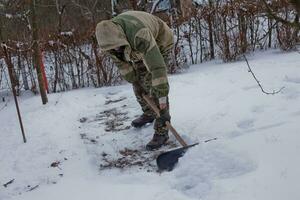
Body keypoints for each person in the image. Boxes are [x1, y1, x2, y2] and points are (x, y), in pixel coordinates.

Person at [95, 10, 174, 150]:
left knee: (155, 86)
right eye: (112, 48)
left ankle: (162, 131)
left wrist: (161, 95)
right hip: (134, 49)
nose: (116, 49)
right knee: (138, 84)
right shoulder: (108, 40)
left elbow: (157, 68)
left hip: (159, 43)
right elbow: (121, 63)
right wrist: (133, 79)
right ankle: (149, 113)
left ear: (120, 37)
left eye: (117, 46)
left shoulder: (139, 35)